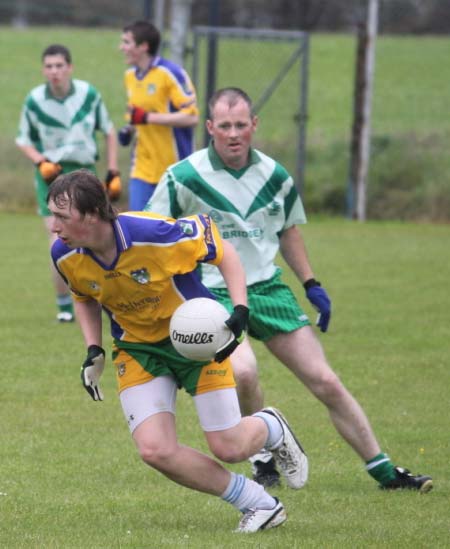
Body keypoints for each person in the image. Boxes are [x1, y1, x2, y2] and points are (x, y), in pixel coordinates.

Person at [147, 87, 433, 493]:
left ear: (254, 125)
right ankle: (264, 455)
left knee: (326, 381)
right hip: (214, 292)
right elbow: (154, 234)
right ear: (209, 127)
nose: (233, 134)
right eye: (224, 126)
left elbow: (287, 231)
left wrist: (311, 283)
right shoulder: (183, 176)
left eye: (241, 125)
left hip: (269, 289)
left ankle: (385, 472)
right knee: (243, 372)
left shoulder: (275, 175)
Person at [46, 169, 309, 534]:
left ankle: (271, 426)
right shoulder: (64, 254)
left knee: (229, 447)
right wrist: (93, 348)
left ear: (91, 216)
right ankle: (259, 503)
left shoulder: (153, 234)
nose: (53, 226)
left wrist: (240, 308)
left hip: (196, 342)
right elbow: (83, 295)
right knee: (155, 450)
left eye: (61, 217)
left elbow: (222, 249)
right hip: (138, 350)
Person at [16, 44, 120, 323]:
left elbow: (109, 131)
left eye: (59, 65)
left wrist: (113, 172)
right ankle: (65, 306)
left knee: (98, 236)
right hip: (50, 175)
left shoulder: (88, 94)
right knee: (58, 240)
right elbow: (23, 139)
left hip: (84, 173)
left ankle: (105, 298)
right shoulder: (35, 100)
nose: (54, 71)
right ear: (43, 70)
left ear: (70, 68)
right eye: (49, 66)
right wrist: (40, 162)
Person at [118, 20, 199, 210]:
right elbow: (136, 115)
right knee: (137, 230)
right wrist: (128, 129)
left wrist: (148, 118)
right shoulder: (130, 76)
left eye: (127, 42)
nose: (121, 48)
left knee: (173, 234)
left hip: (174, 169)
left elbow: (192, 117)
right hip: (142, 168)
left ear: (143, 46)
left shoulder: (171, 73)